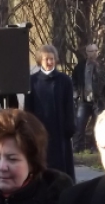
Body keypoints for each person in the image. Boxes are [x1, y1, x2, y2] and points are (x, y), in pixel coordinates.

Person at [25, 44, 76, 182]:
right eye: (46, 59)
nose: (49, 62)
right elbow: (28, 107)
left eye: (52, 59)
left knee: (61, 163)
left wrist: (69, 126)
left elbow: (69, 105)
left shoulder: (64, 80)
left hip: (59, 128)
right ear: (40, 60)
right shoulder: (32, 81)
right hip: (40, 128)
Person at [71, 43, 105, 153]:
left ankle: (96, 147)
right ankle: (77, 147)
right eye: (91, 51)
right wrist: (76, 92)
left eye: (95, 50)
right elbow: (74, 79)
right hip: (84, 100)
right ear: (86, 53)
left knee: (98, 125)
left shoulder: (102, 66)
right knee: (79, 124)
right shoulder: (80, 66)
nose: (94, 53)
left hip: (98, 101)